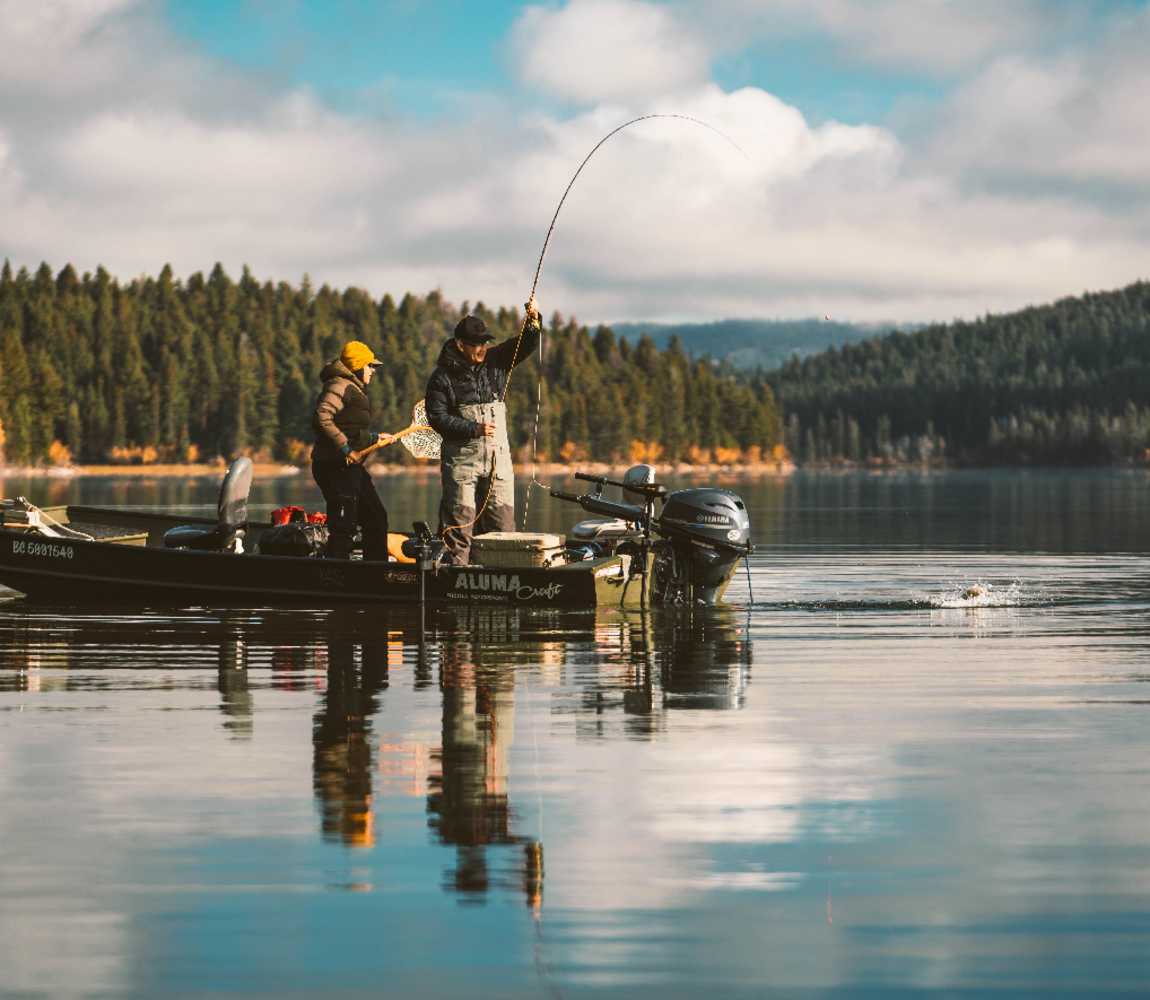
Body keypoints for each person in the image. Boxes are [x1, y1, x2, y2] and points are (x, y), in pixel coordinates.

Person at [426, 299, 543, 565]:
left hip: (498, 461)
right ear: (459, 344)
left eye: (484, 343)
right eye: (475, 344)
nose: (481, 348)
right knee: (459, 527)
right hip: (461, 462)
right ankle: (454, 578)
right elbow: (437, 418)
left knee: (503, 527)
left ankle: (505, 578)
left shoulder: (496, 361)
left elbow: (524, 344)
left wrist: (533, 320)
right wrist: (473, 428)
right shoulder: (442, 377)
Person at [311, 340, 393, 560]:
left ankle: (375, 574)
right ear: (357, 365)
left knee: (376, 517)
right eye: (370, 366)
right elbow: (322, 417)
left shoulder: (352, 387)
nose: (373, 371)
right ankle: (335, 577)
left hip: (350, 467)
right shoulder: (340, 385)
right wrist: (346, 449)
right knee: (344, 527)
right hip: (336, 467)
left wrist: (376, 438)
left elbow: (350, 428)